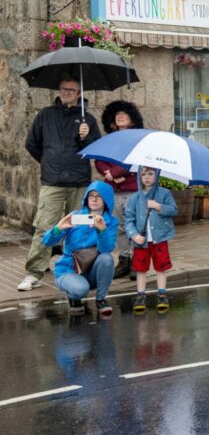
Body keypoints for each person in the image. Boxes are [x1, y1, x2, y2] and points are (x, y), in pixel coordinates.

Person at [21, 77, 102, 292]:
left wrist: (85, 137)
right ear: (59, 90)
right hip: (53, 182)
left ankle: (80, 268)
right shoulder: (45, 115)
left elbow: (96, 148)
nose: (66, 92)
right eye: (64, 89)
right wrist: (49, 163)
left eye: (71, 90)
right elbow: (32, 143)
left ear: (78, 93)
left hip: (79, 182)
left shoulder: (88, 120)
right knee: (45, 226)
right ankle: (34, 272)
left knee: (81, 226)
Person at [43, 180, 118, 316]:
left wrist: (101, 231)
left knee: (107, 258)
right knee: (81, 289)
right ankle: (74, 296)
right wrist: (58, 228)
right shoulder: (75, 216)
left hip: (91, 270)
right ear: (86, 198)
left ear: (106, 199)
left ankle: (101, 300)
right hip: (68, 269)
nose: (94, 199)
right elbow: (46, 242)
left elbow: (107, 248)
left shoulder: (111, 222)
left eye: (98, 196)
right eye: (91, 196)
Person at [95, 100, 144, 278]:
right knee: (119, 227)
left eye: (124, 113)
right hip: (114, 191)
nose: (120, 116)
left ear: (132, 119)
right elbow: (99, 159)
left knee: (135, 226)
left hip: (132, 189)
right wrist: (108, 174)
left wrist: (114, 172)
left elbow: (133, 160)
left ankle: (137, 261)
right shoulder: (107, 140)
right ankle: (124, 259)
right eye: (117, 114)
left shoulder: (137, 139)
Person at [125, 166, 178, 312]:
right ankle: (140, 295)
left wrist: (158, 206)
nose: (147, 177)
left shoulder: (164, 194)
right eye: (143, 174)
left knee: (161, 267)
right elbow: (128, 219)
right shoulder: (135, 198)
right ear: (139, 177)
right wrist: (134, 234)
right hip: (141, 242)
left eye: (150, 173)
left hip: (159, 239)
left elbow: (173, 210)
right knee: (140, 269)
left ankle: (162, 294)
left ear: (157, 175)